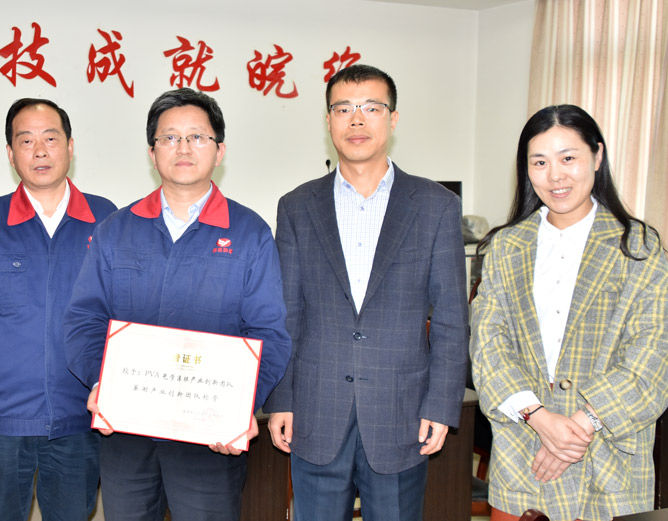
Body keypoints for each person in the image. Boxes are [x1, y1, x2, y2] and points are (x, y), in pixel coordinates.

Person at [64, 87, 292, 521]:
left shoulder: (250, 233)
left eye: (197, 137)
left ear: (219, 150)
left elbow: (268, 332)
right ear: (152, 153)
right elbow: (84, 318)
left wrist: (241, 406)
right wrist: (101, 382)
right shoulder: (116, 229)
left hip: (209, 439)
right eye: (169, 138)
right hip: (126, 436)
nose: (183, 148)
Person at [262, 64, 470, 521]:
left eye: (371, 108)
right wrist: (282, 398)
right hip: (315, 409)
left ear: (392, 119)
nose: (357, 120)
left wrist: (441, 404)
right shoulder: (297, 206)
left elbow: (452, 318)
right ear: (329, 121)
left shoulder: (436, 206)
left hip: (402, 413)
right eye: (343, 109)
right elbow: (286, 314)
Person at [470, 104, 668, 521]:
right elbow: (488, 346)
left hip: (609, 460)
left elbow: (654, 356)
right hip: (524, 453)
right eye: (539, 162)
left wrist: (578, 427)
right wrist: (541, 420)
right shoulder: (506, 246)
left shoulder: (639, 247)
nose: (555, 175)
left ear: (597, 156)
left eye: (568, 158)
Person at [0, 98, 115, 520]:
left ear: (70, 146)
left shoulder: (107, 220)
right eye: (26, 140)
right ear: (10, 152)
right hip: (1, 420)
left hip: (81, 416)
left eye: (50, 138)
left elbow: (125, 316)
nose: (39, 151)